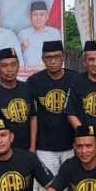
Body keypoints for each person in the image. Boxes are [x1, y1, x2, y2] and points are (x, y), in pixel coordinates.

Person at [27, 40, 76, 175]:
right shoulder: (34, 81)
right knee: (48, 184)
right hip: (45, 146)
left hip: (71, 144)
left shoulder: (74, 78)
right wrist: (32, 146)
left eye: (57, 57)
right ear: (43, 59)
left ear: (64, 57)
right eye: (49, 58)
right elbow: (32, 116)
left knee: (70, 184)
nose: (53, 61)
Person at [0, 47, 34, 149]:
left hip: (27, 149)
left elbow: (33, 117)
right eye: (4, 65)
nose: (9, 69)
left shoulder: (26, 87)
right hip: (4, 151)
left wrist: (32, 147)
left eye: (13, 64)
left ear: (18, 66)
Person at [18, 1, 63, 67]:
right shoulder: (23, 33)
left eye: (42, 14)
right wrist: (22, 47)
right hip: (28, 72)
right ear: (30, 16)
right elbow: (15, 56)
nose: (38, 18)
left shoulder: (54, 33)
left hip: (49, 71)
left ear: (47, 16)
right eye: (35, 14)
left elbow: (59, 55)